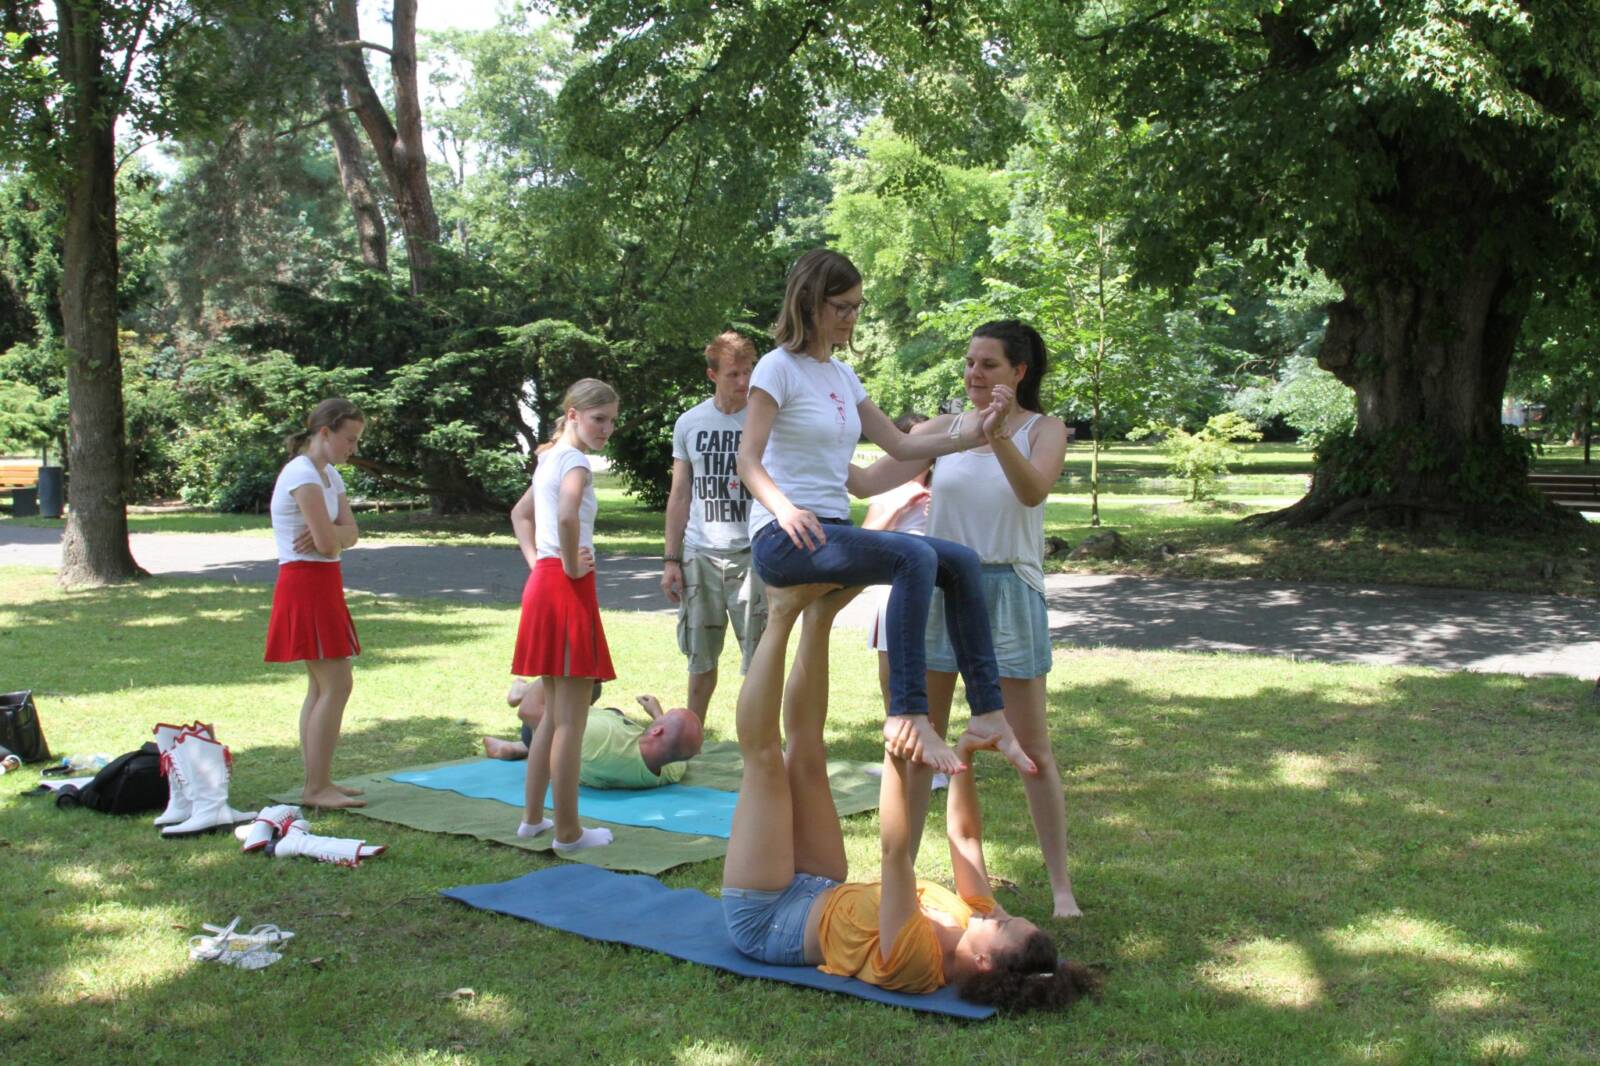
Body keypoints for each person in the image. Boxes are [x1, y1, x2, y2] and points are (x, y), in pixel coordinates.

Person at [721, 582, 1098, 1010]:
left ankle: (780, 615)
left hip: (767, 916)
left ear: (983, 963)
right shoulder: (972, 920)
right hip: (822, 887)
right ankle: (819, 616)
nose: (997, 913)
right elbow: (965, 837)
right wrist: (964, 755)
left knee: (766, 760)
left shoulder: (917, 965)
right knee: (807, 753)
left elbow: (894, 852)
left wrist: (897, 751)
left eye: (1003, 924)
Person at [735, 248, 1035, 777]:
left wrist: (978, 432)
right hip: (783, 537)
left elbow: (899, 446)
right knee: (912, 556)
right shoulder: (777, 368)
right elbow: (748, 460)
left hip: (830, 533)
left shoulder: (842, 376)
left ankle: (988, 712)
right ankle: (907, 713)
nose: (852, 317)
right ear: (809, 302)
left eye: (857, 306)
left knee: (958, 560)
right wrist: (783, 509)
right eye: (842, 307)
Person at [851, 320, 1081, 918]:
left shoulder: (1043, 430)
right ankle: (897, 879)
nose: (973, 374)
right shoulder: (939, 430)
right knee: (917, 738)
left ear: (1019, 372)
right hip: (938, 586)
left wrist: (997, 435)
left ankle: (1061, 889)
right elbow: (866, 481)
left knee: (1031, 746)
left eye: (989, 364)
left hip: (1007, 590)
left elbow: (1032, 492)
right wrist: (803, 438)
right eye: (970, 362)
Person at [508, 378, 620, 853]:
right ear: (573, 414)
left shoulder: (549, 458)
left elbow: (520, 515)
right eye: (599, 419)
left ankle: (533, 819)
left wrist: (542, 562)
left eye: (612, 421)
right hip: (567, 588)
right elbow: (568, 515)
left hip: (546, 584)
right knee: (571, 720)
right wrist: (570, 563)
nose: (606, 429)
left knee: (552, 716)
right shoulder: (573, 461)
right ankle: (569, 833)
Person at [264, 397, 366, 810]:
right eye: (349, 439)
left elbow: (349, 534)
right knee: (337, 684)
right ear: (324, 433)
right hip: (304, 583)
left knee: (323, 686)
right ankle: (316, 787)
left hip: (325, 582)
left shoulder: (329, 475)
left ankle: (319, 780)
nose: (353, 448)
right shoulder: (301, 473)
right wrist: (334, 535)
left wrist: (335, 535)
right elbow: (327, 543)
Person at [662, 332, 768, 723]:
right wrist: (671, 560)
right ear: (712, 375)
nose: (743, 381)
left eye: (749, 372)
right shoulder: (690, 423)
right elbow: (680, 495)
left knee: (761, 659)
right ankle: (692, 736)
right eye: (733, 374)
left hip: (753, 554)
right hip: (700, 555)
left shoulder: (765, 420)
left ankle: (758, 742)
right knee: (700, 659)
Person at [482, 683, 703, 788]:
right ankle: (518, 748)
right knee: (613, 710)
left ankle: (521, 692)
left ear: (657, 730)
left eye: (667, 714)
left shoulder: (599, 738)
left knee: (587, 683)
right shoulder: (672, 769)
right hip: (585, 740)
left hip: (542, 736)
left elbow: (529, 712)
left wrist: (550, 669)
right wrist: (657, 713)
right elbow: (673, 743)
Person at [860, 412, 932, 711]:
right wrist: (899, 508)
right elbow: (865, 538)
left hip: (936, 584)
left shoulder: (943, 486)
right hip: (894, 586)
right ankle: (896, 719)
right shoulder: (887, 489)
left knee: (932, 667)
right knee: (891, 668)